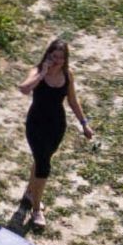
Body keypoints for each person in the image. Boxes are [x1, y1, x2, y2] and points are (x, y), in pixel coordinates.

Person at [17, 40, 96, 225]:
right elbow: (24, 89)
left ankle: (30, 193)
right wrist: (42, 73)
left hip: (56, 125)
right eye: (54, 56)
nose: (57, 61)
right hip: (36, 124)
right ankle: (36, 210)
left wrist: (84, 124)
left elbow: (73, 101)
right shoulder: (37, 71)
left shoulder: (68, 75)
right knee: (43, 164)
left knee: (42, 159)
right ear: (47, 55)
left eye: (61, 58)